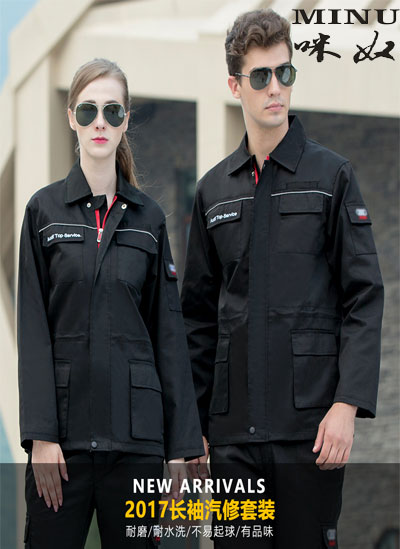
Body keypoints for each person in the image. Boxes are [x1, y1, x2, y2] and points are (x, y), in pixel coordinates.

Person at [182, 9, 384, 548]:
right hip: (232, 441)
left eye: (284, 73)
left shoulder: (331, 177)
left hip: (310, 436)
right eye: (261, 76)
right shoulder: (212, 192)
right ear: (235, 86)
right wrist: (192, 426)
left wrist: (347, 405)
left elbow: (363, 297)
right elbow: (196, 318)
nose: (276, 88)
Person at [18, 58, 203, 548]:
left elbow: (168, 334)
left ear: (125, 121)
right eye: (89, 110)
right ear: (72, 118)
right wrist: (41, 435)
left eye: (112, 111)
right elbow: (33, 331)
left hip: (137, 444)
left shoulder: (150, 219)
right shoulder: (43, 212)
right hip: (62, 445)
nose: (100, 121)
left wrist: (180, 449)